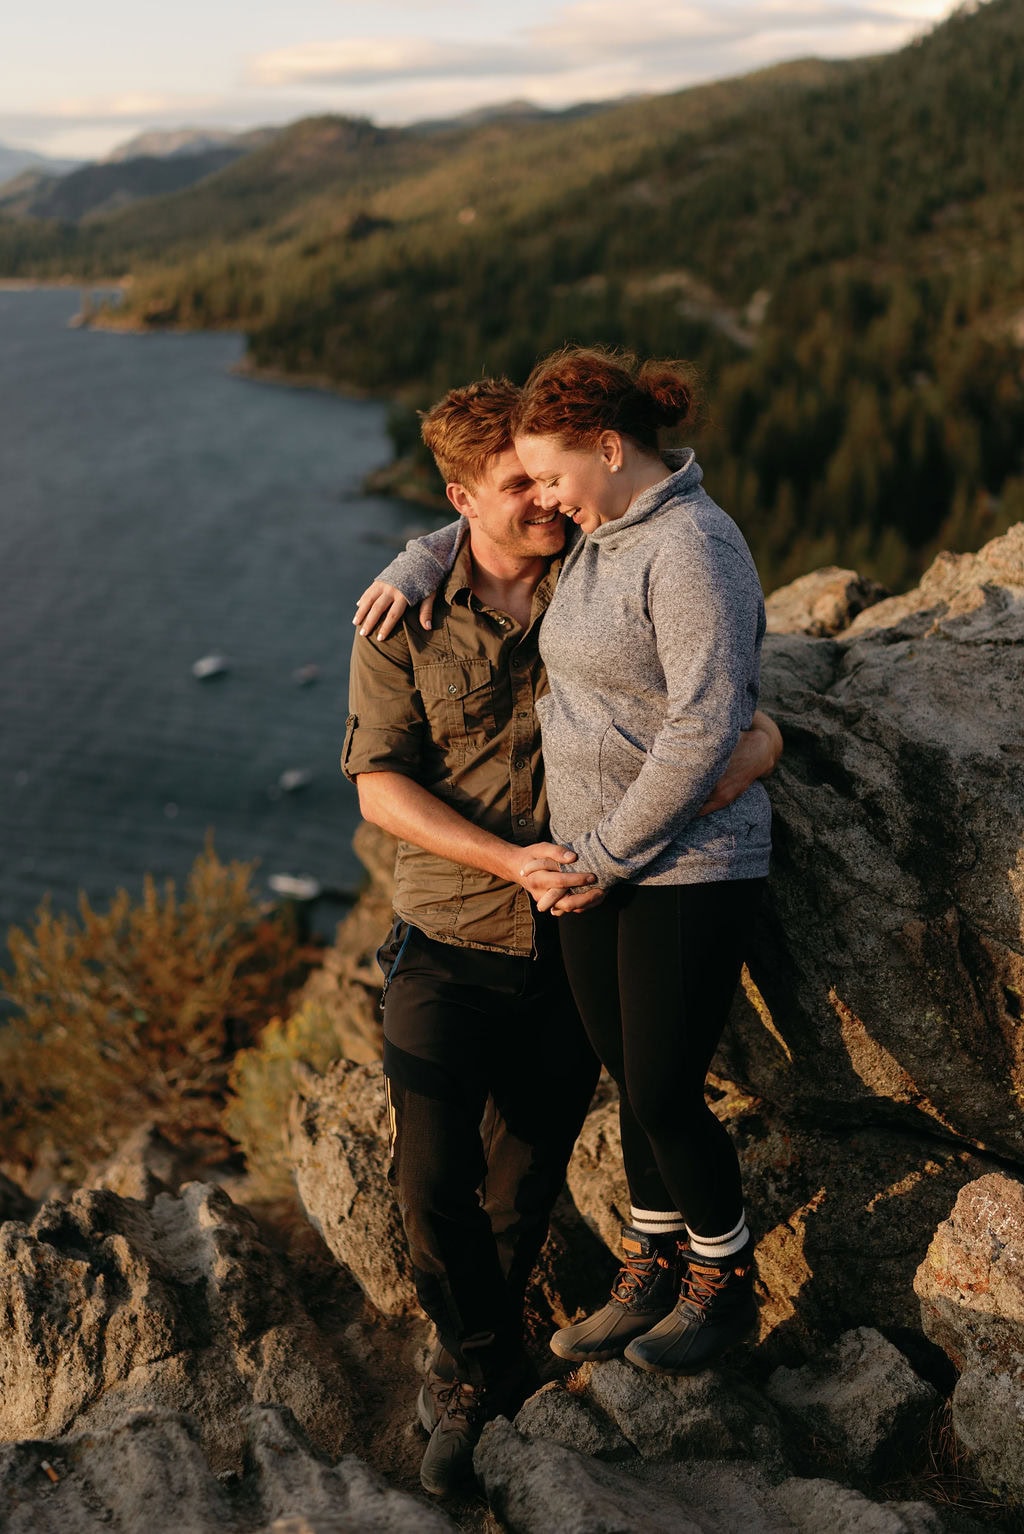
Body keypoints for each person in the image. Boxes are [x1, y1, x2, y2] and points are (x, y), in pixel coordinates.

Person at [346, 376, 780, 1495]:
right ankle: (480, 1368)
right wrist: (419, 557)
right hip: (454, 925)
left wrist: (757, 743)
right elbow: (378, 790)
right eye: (517, 488)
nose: (544, 502)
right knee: (429, 1180)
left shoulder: (592, 556)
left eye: (548, 478)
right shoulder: (408, 613)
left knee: (524, 1178)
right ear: (459, 498)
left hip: (584, 918)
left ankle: (532, 1356)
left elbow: (713, 683)